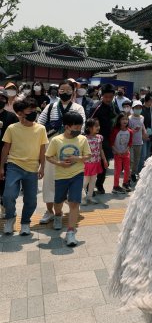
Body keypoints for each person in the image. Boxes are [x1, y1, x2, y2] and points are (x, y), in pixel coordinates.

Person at [37, 80, 86, 224]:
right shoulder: (50, 107)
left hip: (71, 148)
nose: (65, 93)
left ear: (73, 92)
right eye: (62, 91)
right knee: (50, 180)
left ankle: (72, 207)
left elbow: (81, 128)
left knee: (71, 178)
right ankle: (49, 211)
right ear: (58, 91)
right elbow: (40, 125)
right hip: (52, 148)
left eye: (68, 91)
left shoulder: (78, 108)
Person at [0, 97, 48, 236]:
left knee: (31, 200)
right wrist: (1, 167)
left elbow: (42, 149)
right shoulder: (12, 128)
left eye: (35, 110)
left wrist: (42, 167)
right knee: (8, 195)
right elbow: (5, 148)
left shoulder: (41, 129)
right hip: (14, 166)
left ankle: (25, 222)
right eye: (30, 110)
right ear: (20, 113)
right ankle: (10, 218)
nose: (34, 112)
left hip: (32, 168)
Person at [45, 111, 90, 247]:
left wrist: (78, 158)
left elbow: (88, 155)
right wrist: (59, 163)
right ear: (67, 127)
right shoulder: (56, 140)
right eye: (75, 128)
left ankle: (71, 232)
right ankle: (58, 215)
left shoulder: (82, 139)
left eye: (80, 127)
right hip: (61, 176)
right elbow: (48, 156)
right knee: (58, 200)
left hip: (77, 174)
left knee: (74, 202)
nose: (78, 130)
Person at [89, 84, 119, 195]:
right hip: (95, 139)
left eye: (110, 97)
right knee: (93, 163)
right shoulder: (96, 107)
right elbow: (89, 123)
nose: (108, 99)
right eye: (106, 97)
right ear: (102, 96)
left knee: (104, 163)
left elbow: (119, 118)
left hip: (107, 139)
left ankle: (99, 184)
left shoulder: (113, 106)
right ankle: (88, 186)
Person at [0, 89, 19, 218]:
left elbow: (16, 137)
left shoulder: (11, 116)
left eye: (2, 98)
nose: (0, 101)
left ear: (6, 101)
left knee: (5, 183)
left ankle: (5, 207)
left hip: (6, 155)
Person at [83, 118, 108, 204]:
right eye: (96, 126)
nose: (98, 127)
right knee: (85, 181)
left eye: (98, 125)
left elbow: (101, 150)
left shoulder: (99, 137)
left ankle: (89, 197)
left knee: (93, 180)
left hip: (96, 163)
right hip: (86, 163)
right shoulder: (84, 138)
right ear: (89, 128)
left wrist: (104, 160)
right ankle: (81, 197)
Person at [110, 113, 133, 193]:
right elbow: (111, 143)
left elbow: (130, 143)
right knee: (118, 169)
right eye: (123, 119)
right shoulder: (115, 131)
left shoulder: (130, 131)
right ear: (119, 120)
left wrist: (126, 150)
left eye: (126, 119)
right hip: (117, 154)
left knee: (127, 169)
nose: (125, 121)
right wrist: (117, 152)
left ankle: (125, 183)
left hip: (126, 153)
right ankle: (115, 186)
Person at [128, 100, 148, 181]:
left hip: (139, 142)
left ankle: (133, 173)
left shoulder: (142, 117)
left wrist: (145, 132)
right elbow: (127, 129)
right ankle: (128, 176)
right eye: (136, 107)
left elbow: (142, 126)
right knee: (131, 160)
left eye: (140, 107)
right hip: (131, 142)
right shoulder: (129, 118)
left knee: (137, 160)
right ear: (133, 108)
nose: (138, 109)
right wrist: (132, 130)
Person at [139, 93, 152, 172]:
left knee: (148, 155)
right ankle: (139, 171)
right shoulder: (142, 109)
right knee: (143, 155)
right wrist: (143, 134)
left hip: (151, 135)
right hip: (143, 135)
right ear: (148, 101)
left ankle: (145, 171)